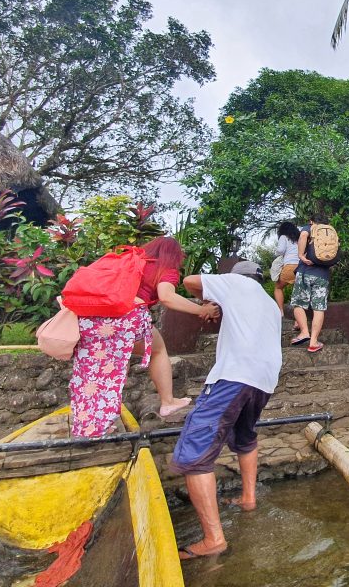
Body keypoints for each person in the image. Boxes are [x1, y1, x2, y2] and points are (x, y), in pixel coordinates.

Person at [171, 260, 283, 560]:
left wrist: (210, 301)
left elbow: (190, 281)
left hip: (234, 375)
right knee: (245, 436)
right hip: (265, 380)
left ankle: (214, 540)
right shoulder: (271, 304)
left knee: (194, 453)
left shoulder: (235, 285)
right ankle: (248, 498)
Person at [68, 236, 219, 438]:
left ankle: (89, 425)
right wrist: (202, 310)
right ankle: (168, 402)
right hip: (124, 318)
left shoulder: (129, 259)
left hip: (90, 319)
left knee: (93, 374)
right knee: (157, 351)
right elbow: (167, 297)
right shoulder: (164, 268)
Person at [289, 213, 332, 353]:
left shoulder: (310, 227)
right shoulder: (330, 231)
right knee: (319, 308)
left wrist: (301, 255)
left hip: (305, 272)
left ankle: (304, 333)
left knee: (298, 303)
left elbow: (302, 236)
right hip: (323, 275)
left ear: (311, 221)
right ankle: (313, 341)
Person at [272, 221, 301, 321]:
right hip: (302, 267)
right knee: (299, 292)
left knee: (278, 287)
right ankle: (298, 321)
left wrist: (275, 253)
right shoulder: (300, 238)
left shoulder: (284, 237)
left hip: (290, 267)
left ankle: (281, 312)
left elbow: (280, 250)